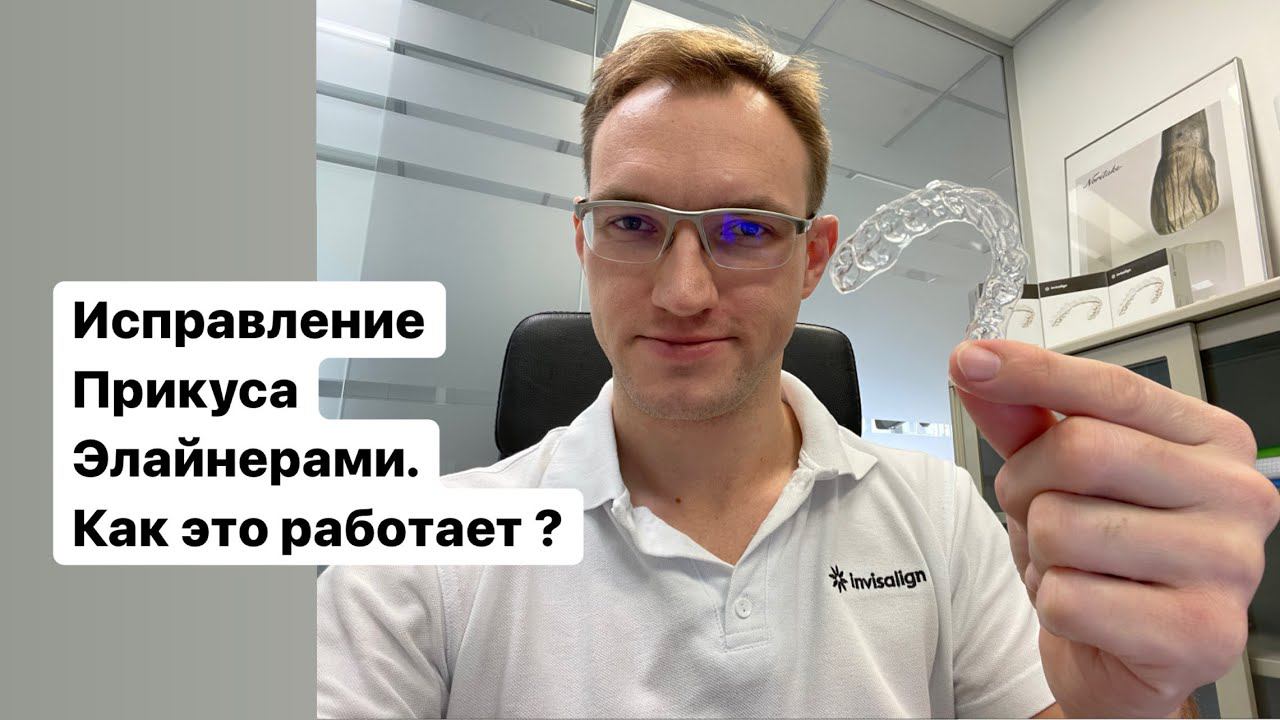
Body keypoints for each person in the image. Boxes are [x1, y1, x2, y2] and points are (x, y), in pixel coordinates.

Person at [317, 27, 1278, 718]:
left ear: (813, 259)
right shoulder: (418, 558)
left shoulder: (940, 514)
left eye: (744, 230)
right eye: (633, 223)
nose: (683, 292)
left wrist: (1132, 704)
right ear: (585, 242)